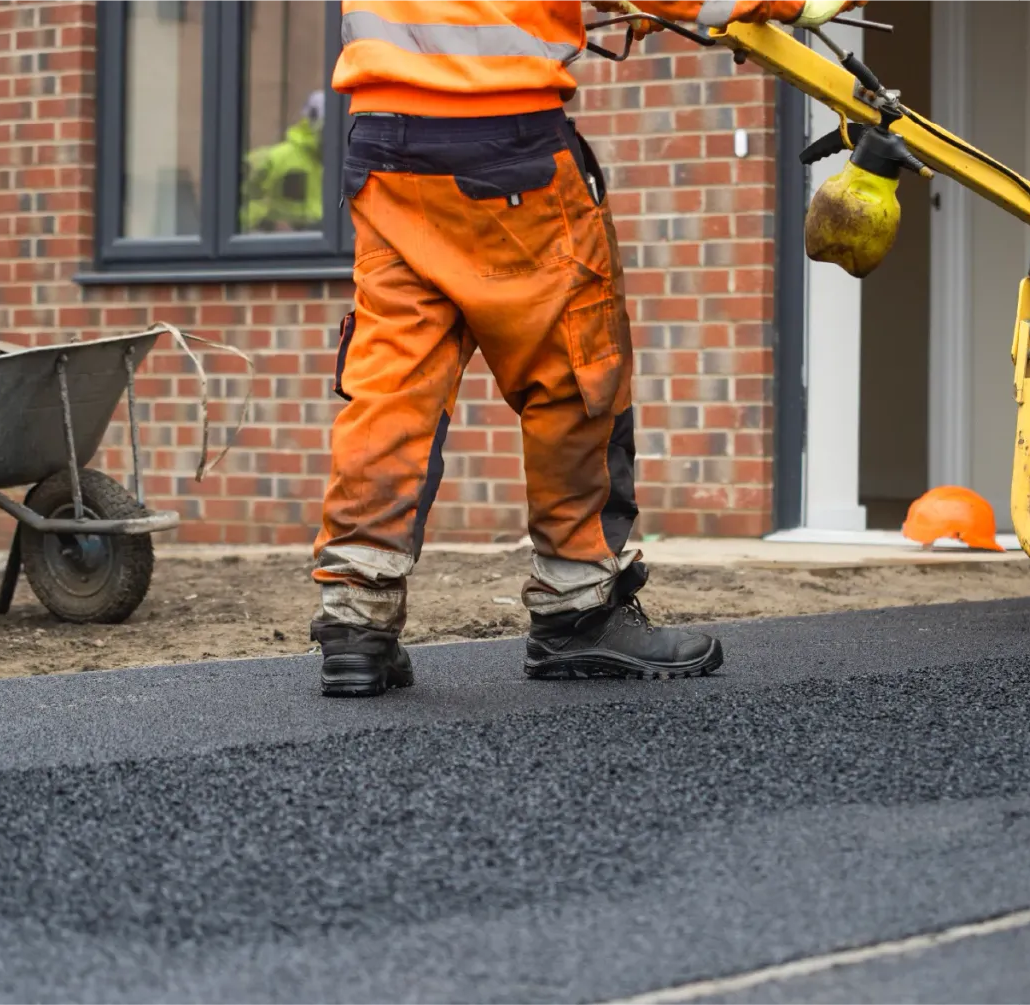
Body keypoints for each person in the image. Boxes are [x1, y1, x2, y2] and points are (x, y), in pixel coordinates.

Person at [314, 0, 871, 697]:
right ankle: (578, 608)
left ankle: (356, 620)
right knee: (577, 371)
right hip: (505, 150)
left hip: (387, 151)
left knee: (394, 385)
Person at [240, 91, 326, 233]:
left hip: (323, 245)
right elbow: (235, 203)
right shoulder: (273, 159)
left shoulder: (350, 165)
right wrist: (269, 223)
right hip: (282, 246)